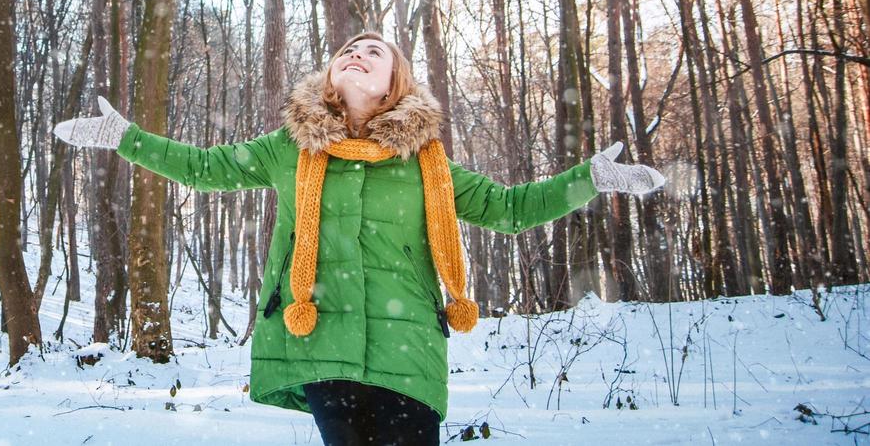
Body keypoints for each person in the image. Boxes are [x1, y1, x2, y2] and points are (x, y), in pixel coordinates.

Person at [53, 31, 665, 446]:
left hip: (409, 352)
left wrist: (590, 179)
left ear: (395, 81)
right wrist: (125, 137)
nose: (357, 53)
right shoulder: (288, 147)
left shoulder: (427, 161)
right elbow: (204, 168)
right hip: (320, 335)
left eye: (374, 51)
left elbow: (507, 209)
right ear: (331, 73)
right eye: (348, 48)